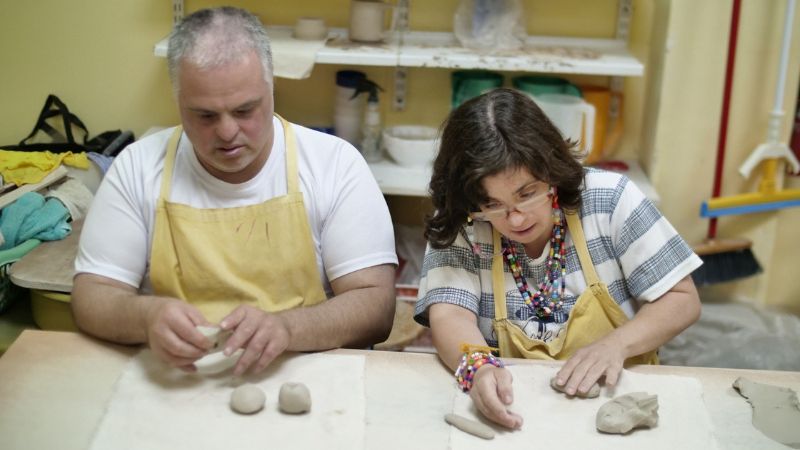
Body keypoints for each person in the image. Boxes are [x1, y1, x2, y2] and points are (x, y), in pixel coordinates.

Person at [71, 7, 398, 376]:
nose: (227, 132)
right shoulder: (138, 167)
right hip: (180, 382)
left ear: (271, 87)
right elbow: (91, 296)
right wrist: (145, 317)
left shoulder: (335, 166)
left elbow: (376, 305)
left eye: (245, 110)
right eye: (206, 116)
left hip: (302, 381)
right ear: (178, 101)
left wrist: (289, 328)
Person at [414, 88, 702, 429]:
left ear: (551, 169)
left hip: (616, 397)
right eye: (493, 204)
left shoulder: (608, 199)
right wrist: (477, 366)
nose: (516, 219)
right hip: (518, 410)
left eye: (528, 194)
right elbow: (450, 315)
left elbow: (682, 299)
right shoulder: (463, 219)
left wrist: (616, 345)